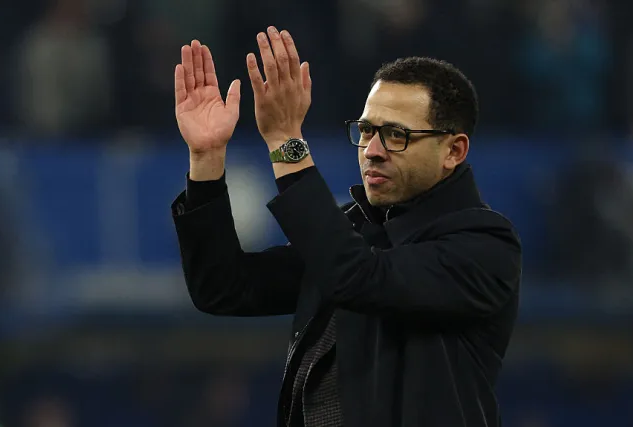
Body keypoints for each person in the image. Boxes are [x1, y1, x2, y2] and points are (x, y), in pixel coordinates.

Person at [171, 26, 522, 427]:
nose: (372, 150)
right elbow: (223, 288)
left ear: (453, 151)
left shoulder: (485, 244)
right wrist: (206, 158)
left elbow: (358, 277)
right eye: (367, 130)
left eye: (396, 135)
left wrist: (286, 142)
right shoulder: (355, 231)